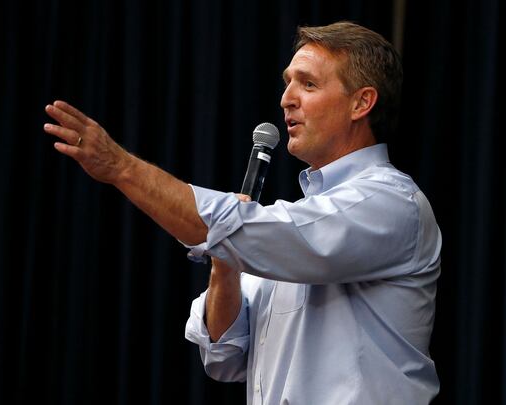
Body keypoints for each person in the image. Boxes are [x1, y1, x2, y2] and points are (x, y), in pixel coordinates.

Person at [44, 21, 441, 405]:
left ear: (362, 103)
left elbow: (244, 231)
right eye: (287, 82)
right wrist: (226, 263)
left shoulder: (389, 204)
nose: (286, 98)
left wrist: (122, 167)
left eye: (308, 83)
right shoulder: (303, 219)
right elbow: (223, 355)